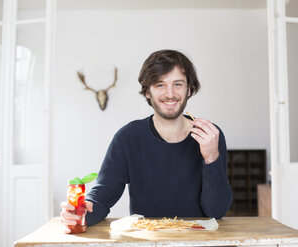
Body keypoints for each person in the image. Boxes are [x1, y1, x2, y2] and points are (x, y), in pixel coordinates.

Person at [60, 49, 233, 233]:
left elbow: (217, 210)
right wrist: (81, 213)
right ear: (147, 92)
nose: (170, 93)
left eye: (177, 84)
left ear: (189, 89)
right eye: (160, 85)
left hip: (201, 241)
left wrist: (212, 158)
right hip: (148, 242)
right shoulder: (128, 138)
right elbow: (102, 195)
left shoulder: (210, 135)